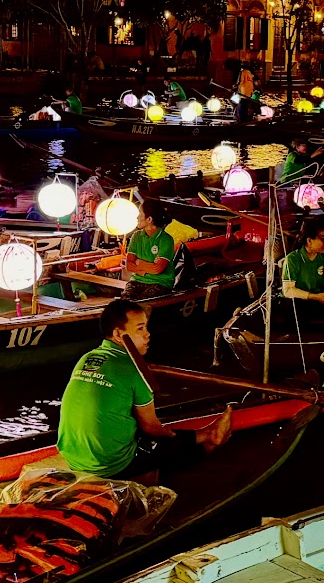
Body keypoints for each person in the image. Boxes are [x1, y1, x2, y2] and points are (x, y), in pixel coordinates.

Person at [56, 299, 232, 480]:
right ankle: (209, 437)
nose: (147, 335)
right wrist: (175, 435)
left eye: (146, 327)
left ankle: (204, 436)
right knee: (164, 445)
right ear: (118, 334)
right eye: (140, 329)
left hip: (72, 457)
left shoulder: (87, 358)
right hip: (109, 465)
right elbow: (151, 428)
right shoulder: (134, 370)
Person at [117, 203, 178, 299]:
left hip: (160, 282)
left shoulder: (166, 239)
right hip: (137, 280)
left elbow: (157, 269)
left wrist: (138, 262)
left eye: (140, 214)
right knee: (124, 303)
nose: (137, 218)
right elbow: (129, 265)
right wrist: (148, 266)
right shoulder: (136, 236)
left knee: (142, 303)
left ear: (149, 219)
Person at [281, 219, 324, 310]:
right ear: (309, 241)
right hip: (300, 301)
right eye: (323, 239)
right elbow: (287, 291)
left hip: (320, 298)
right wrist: (314, 296)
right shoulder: (293, 259)